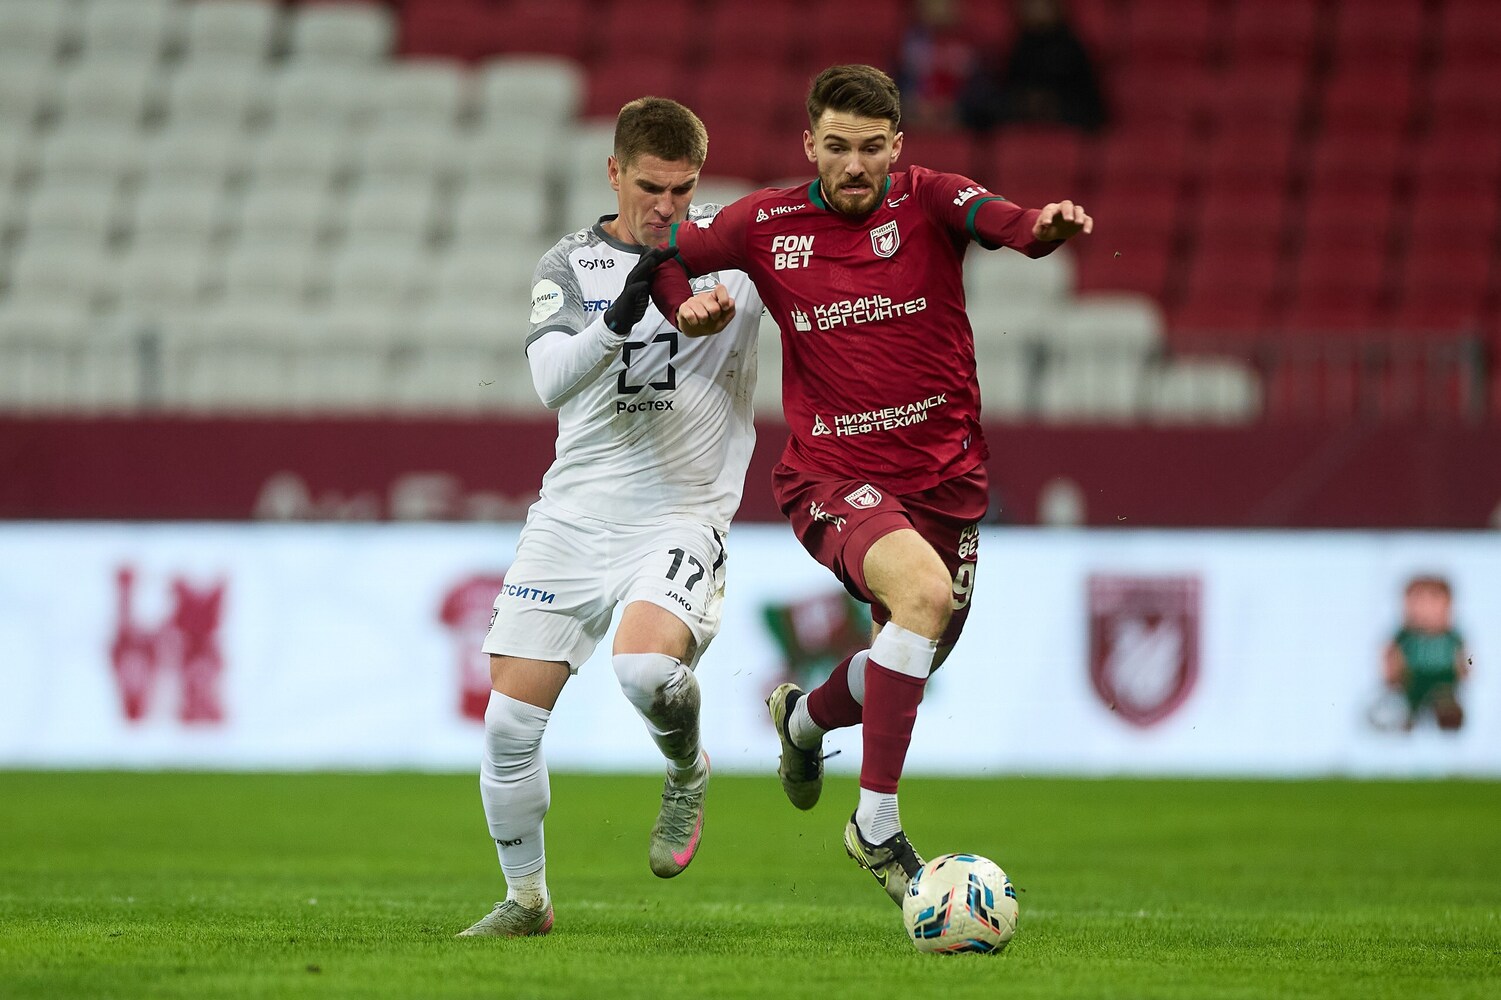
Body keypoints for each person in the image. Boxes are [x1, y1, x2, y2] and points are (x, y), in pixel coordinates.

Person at [648, 64, 1091, 905]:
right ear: (808, 144)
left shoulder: (931, 198)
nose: (854, 164)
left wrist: (1045, 227)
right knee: (922, 595)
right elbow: (664, 250)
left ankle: (802, 720)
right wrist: (683, 308)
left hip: (946, 481)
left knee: (912, 649)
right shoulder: (763, 221)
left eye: (871, 147)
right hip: (830, 474)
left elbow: (1009, 223)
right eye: (837, 145)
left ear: (897, 147)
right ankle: (875, 825)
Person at [456, 97, 763, 937]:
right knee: (508, 724)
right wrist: (623, 314)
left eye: (682, 189)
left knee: (645, 672)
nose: (665, 206)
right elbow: (550, 380)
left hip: (680, 513)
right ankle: (526, 901)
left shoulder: (732, 258)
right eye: (649, 187)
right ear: (613, 172)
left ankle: (685, 768)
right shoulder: (570, 263)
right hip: (574, 516)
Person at [963, 0, 1108, 133]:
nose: (1036, 11)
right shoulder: (1021, 46)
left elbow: (1087, 98)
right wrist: (1028, 101)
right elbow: (1010, 87)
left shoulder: (1071, 47)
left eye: (1042, 6)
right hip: (1024, 115)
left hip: (1065, 115)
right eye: (1031, 6)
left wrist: (1052, 103)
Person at [1383, 575, 1470, 731]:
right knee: (1405, 704)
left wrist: (1465, 667)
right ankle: (1406, 717)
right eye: (1419, 603)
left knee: (1445, 700)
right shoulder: (1406, 636)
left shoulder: (1451, 636)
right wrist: (1392, 671)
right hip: (1413, 681)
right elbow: (1392, 652)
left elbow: (1466, 656)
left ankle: (1447, 715)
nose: (1426, 610)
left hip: (1444, 682)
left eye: (1433, 603)